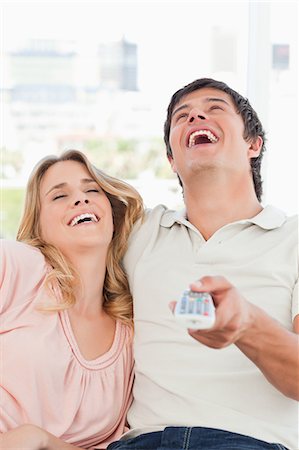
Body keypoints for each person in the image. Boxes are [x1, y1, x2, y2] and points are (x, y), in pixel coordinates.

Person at [107, 78, 298, 450]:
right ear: (171, 159)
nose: (195, 115)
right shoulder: (139, 232)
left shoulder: (294, 238)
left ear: (253, 145)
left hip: (251, 443)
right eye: (183, 116)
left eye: (214, 108)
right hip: (143, 444)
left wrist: (247, 323)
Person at [0, 150, 143, 449]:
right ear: (38, 227)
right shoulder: (19, 267)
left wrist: (40, 441)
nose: (81, 199)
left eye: (92, 190)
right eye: (59, 196)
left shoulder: (129, 333)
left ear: (113, 215)